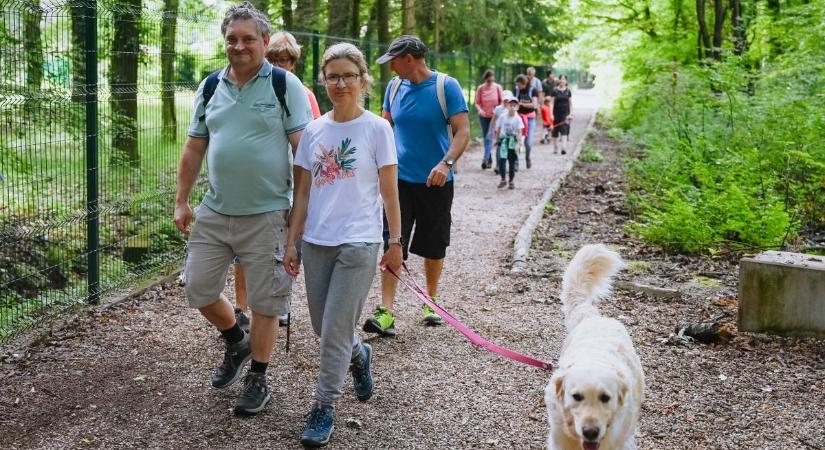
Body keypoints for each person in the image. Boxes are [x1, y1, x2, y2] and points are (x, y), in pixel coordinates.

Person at [173, 2, 311, 416]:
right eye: (232, 38)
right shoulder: (210, 86)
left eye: (248, 38)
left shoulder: (285, 87)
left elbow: (302, 155)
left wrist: (298, 220)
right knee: (197, 287)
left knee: (267, 302)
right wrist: (182, 199)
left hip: (269, 212)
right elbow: (195, 145)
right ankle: (237, 340)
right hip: (215, 210)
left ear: (264, 42)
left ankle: (259, 379)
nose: (239, 46)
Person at [283, 42, 402, 447]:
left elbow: (390, 193)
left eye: (348, 75)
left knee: (333, 329)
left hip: (360, 242)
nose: (340, 83)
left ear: (363, 79)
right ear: (323, 80)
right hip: (317, 241)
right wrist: (292, 242)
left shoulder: (377, 128)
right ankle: (358, 354)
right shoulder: (314, 131)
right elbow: (302, 194)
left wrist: (395, 242)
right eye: (332, 76)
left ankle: (324, 405)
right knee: (323, 326)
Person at [362, 35, 470, 336]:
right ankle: (387, 311)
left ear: (409, 58)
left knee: (434, 244)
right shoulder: (394, 88)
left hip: (436, 181)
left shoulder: (445, 86)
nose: (391, 67)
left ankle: (431, 302)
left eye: (393, 61)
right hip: (398, 180)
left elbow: (463, 132)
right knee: (393, 240)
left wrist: (445, 163)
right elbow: (385, 128)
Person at [225, 31, 324, 330]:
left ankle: (277, 303)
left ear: (294, 61)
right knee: (243, 250)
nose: (281, 63)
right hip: (252, 182)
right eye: (275, 58)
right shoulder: (248, 87)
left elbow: (312, 141)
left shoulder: (302, 93)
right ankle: (241, 306)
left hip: (287, 182)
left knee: (283, 245)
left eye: (287, 59)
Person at [494, 94, 525, 189]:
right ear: (507, 106)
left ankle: (511, 181)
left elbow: (520, 131)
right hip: (503, 141)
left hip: (513, 142)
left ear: (517, 107)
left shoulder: (518, 119)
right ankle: (503, 179)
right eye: (510, 105)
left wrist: (520, 143)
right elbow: (498, 128)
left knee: (512, 162)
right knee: (502, 161)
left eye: (514, 105)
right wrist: (497, 139)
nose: (512, 107)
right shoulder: (502, 117)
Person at [474, 69, 503, 170]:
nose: (490, 82)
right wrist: (480, 110)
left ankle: (485, 159)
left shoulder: (497, 87)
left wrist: (498, 112)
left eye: (492, 80)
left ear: (494, 78)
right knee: (487, 138)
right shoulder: (481, 88)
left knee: (489, 137)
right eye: (488, 80)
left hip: (494, 117)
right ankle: (489, 160)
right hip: (483, 116)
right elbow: (476, 102)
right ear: (485, 79)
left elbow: (502, 102)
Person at [513, 74, 539, 168]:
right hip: (518, 118)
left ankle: (527, 157)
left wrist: (521, 103)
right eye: (517, 85)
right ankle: (516, 162)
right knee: (517, 140)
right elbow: (513, 103)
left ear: (524, 83)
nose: (518, 87)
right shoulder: (516, 90)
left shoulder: (533, 90)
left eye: (519, 85)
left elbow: (534, 105)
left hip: (530, 118)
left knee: (528, 143)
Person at [550, 74, 573, 154]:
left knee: (564, 129)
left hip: (565, 114)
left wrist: (570, 114)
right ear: (559, 80)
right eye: (561, 79)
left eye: (564, 79)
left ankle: (563, 147)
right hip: (556, 113)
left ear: (566, 81)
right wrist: (551, 114)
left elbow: (570, 104)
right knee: (555, 131)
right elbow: (551, 103)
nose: (562, 81)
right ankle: (555, 147)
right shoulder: (554, 91)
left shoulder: (568, 91)